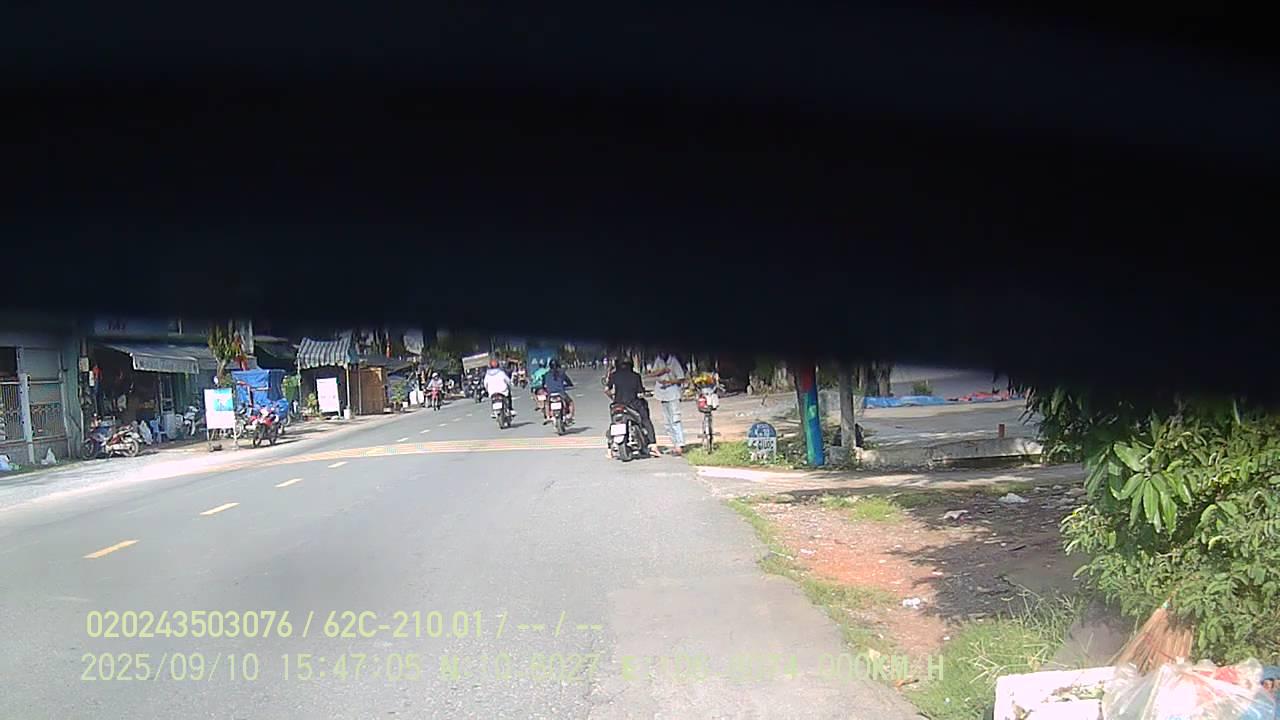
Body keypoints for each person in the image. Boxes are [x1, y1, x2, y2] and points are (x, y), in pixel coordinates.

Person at [606, 357, 655, 456]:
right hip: (633, 404)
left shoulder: (613, 375)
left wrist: (613, 398)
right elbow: (640, 391)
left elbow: (607, 390)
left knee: (614, 422)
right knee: (645, 420)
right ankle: (653, 445)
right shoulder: (636, 376)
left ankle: (609, 450)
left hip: (618, 404)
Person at [646, 349, 687, 455]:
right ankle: (674, 444)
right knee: (667, 422)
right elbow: (653, 373)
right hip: (662, 393)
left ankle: (680, 444)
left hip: (673, 392)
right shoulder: (659, 360)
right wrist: (662, 371)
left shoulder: (673, 361)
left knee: (675, 419)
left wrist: (669, 382)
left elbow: (681, 378)